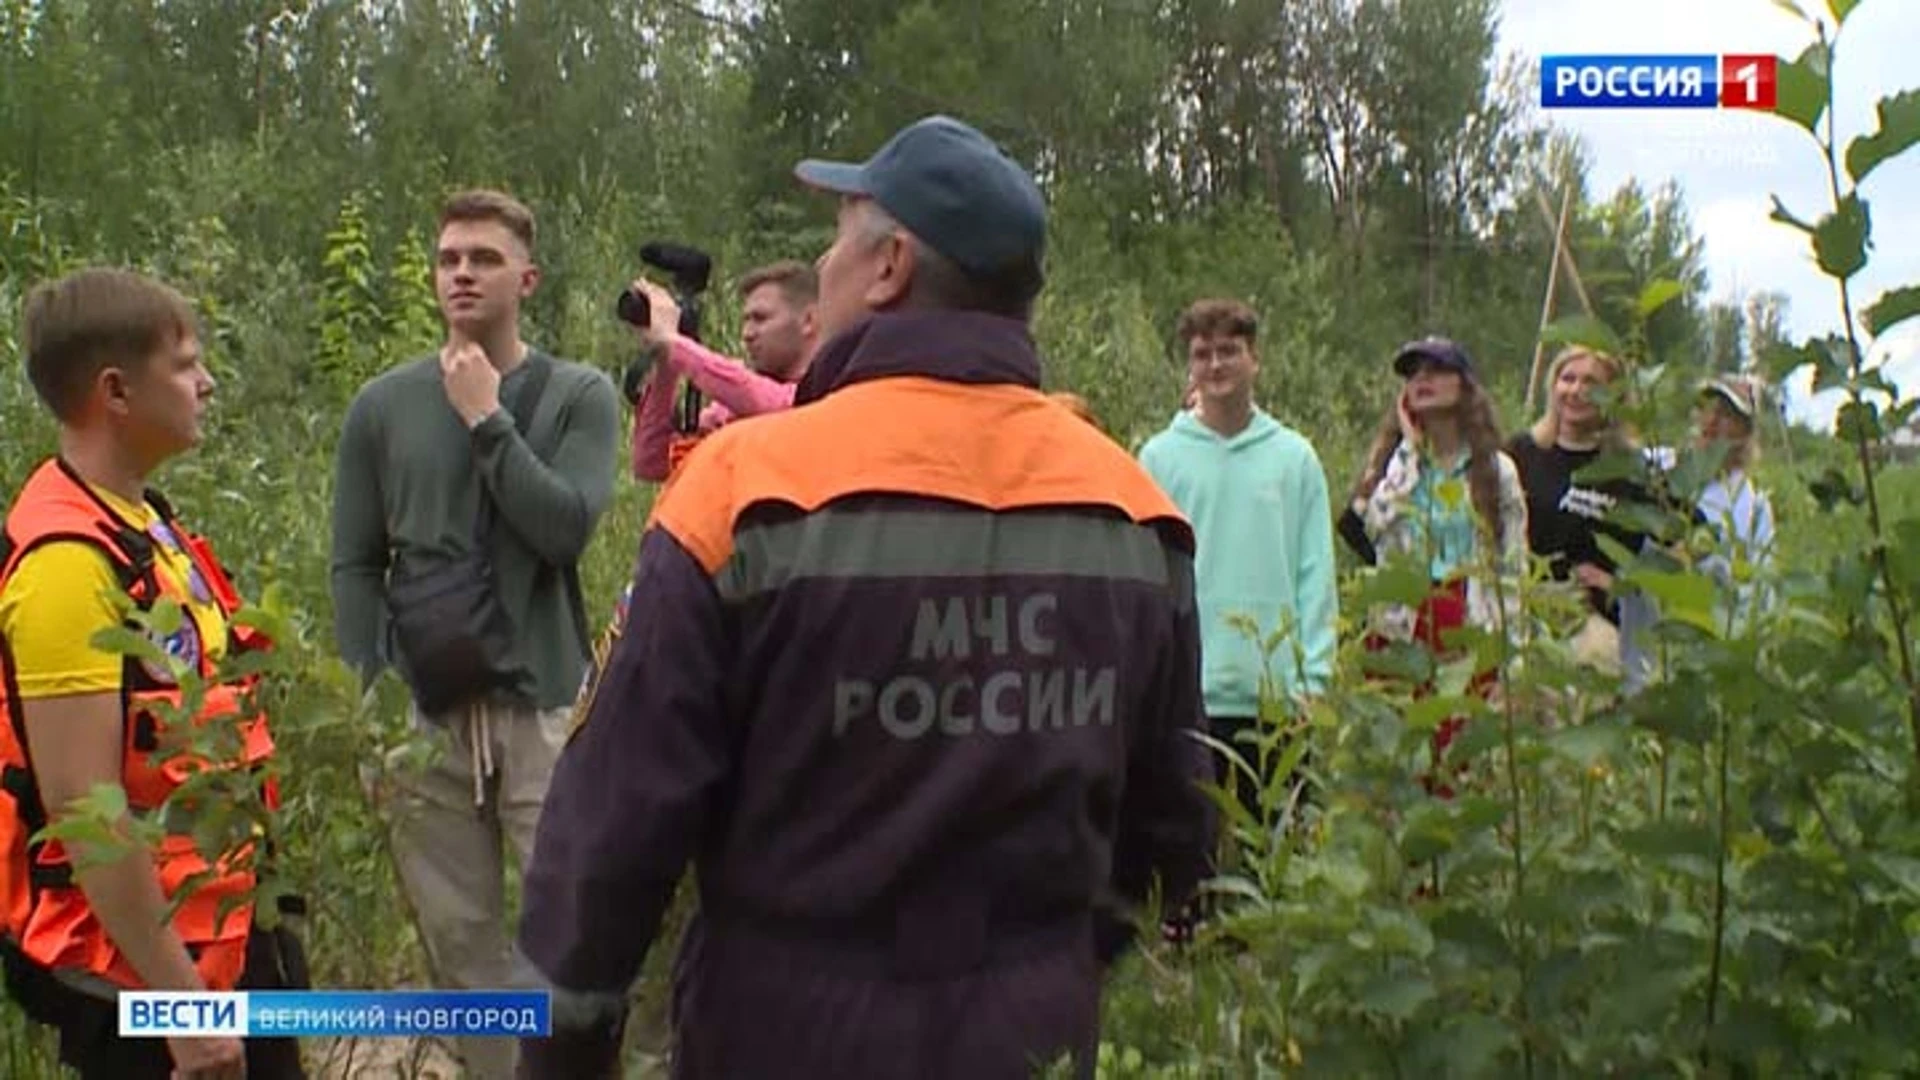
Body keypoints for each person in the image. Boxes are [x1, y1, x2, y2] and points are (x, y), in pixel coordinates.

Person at [516, 114, 1215, 1080]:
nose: (822, 260)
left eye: (838, 236)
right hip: (1035, 1033)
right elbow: (1174, 828)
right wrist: (1047, 964)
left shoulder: (743, 489)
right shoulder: (1137, 515)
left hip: (783, 1032)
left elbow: (615, 824)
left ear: (889, 267)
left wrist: (569, 1039)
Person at [328, 189, 620, 1080]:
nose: (462, 272)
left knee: (568, 930)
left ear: (526, 278)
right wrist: (371, 694)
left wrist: (487, 418)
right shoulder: (381, 407)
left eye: (484, 258)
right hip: (426, 714)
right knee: (460, 939)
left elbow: (564, 527)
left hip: (542, 707)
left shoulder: (579, 394)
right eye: (449, 257)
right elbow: (354, 562)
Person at [0, 267, 306, 1079]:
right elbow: (85, 809)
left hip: (228, 939)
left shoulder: (147, 523)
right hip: (144, 981)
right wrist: (184, 1007)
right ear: (116, 391)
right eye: (185, 363)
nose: (206, 382)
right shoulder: (66, 567)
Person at [1138, 298, 1339, 823]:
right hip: (1190, 698)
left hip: (1275, 703)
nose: (1216, 365)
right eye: (1202, 354)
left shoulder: (1295, 458)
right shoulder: (1159, 458)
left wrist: (1312, 684)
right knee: (1190, 869)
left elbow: (1316, 576)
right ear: (1189, 366)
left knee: (1271, 861)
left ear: (1255, 360)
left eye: (1229, 351)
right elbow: (1149, 577)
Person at [1339, 337, 1527, 796]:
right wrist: (1410, 450)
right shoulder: (1395, 464)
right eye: (1412, 374)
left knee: (1459, 761)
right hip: (1402, 624)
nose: (1421, 381)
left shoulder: (1496, 470)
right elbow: (1374, 526)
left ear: (1464, 386)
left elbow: (1513, 566)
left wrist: (1513, 659)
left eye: (1435, 370)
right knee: (1399, 760)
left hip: (1467, 623)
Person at [1505, 345, 1670, 688]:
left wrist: (1621, 584)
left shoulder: (1632, 470)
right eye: (1568, 379)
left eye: (1591, 383)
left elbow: (1687, 540)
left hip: (1591, 627)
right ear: (1553, 387)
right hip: (1524, 615)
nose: (1576, 391)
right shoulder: (1522, 454)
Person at [629, 260, 820, 482]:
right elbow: (652, 463)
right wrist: (665, 365)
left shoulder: (829, 386)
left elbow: (770, 402)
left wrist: (675, 344)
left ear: (808, 321)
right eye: (745, 321)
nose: (747, 333)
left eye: (760, 319)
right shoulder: (729, 412)